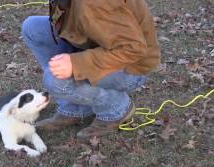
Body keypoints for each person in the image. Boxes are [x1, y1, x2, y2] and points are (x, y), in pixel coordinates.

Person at [21, 0, 160, 141]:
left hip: (132, 67)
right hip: (99, 45)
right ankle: (76, 107)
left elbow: (133, 49)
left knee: (55, 80)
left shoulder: (95, 3)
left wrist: (77, 63)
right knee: (33, 28)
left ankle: (116, 108)